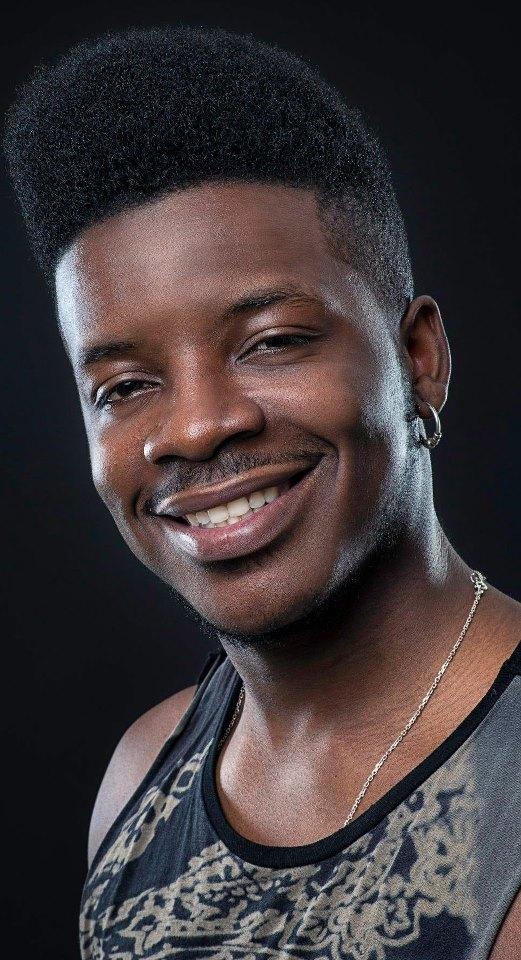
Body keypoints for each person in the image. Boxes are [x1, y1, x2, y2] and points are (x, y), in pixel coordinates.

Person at [4, 24, 520, 960]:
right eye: (124, 386)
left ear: (418, 359)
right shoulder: (142, 780)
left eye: (272, 341)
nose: (196, 427)